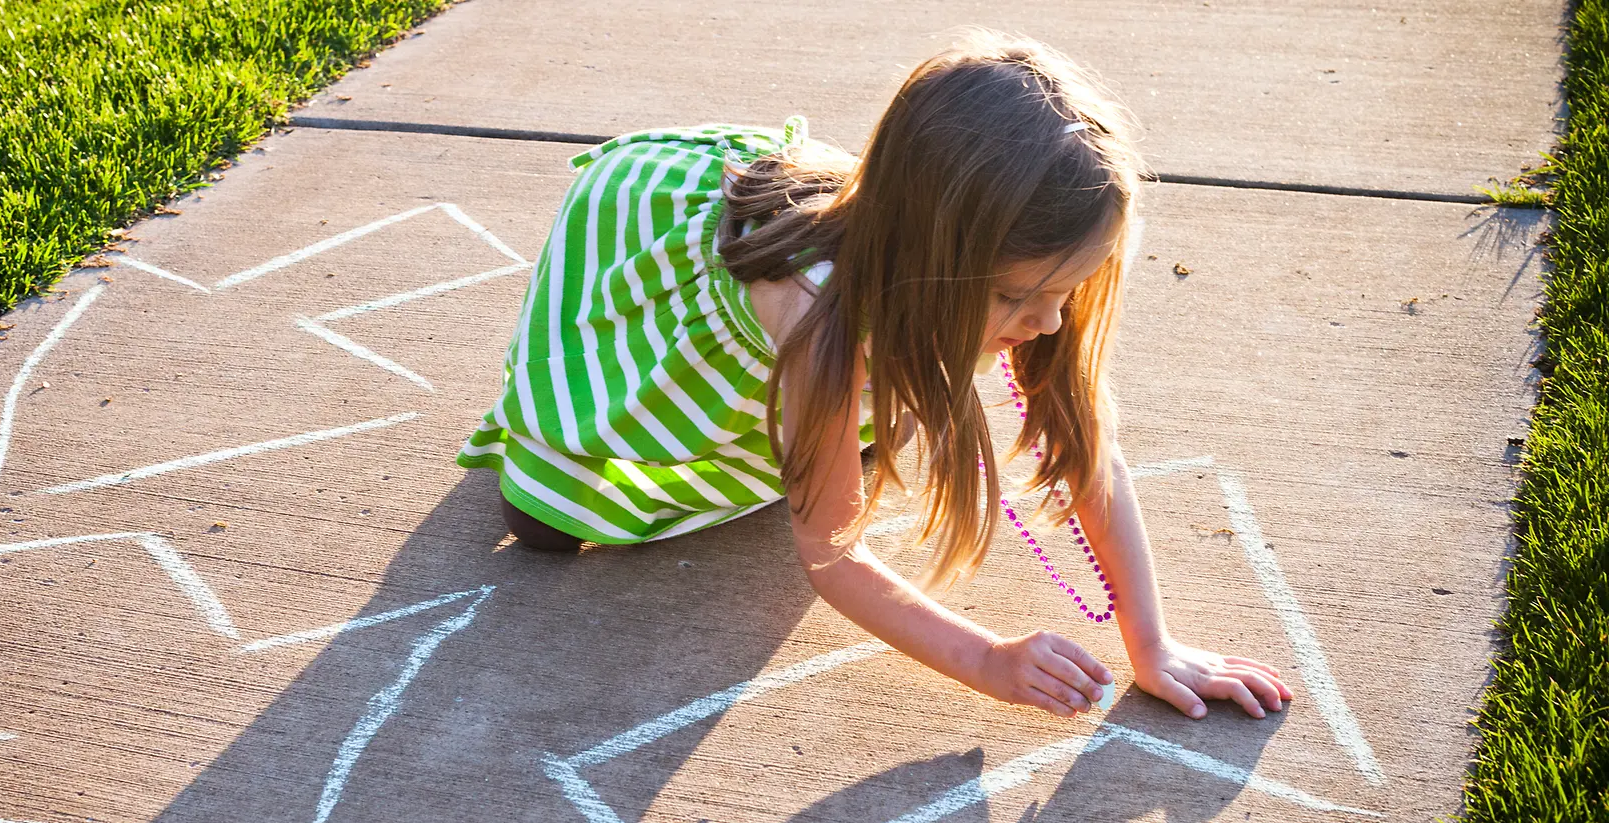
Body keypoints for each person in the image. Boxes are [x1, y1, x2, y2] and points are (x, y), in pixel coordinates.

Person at [457, 30, 1292, 721]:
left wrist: (1153, 642)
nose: (1049, 321)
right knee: (543, 522)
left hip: (874, 290)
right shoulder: (819, 324)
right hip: (688, 269)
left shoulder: (1020, 274)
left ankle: (845, 413)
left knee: (859, 417)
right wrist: (988, 660)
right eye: (1019, 297)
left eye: (1066, 292)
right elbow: (831, 555)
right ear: (938, 259)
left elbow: (1084, 445)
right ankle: (566, 451)